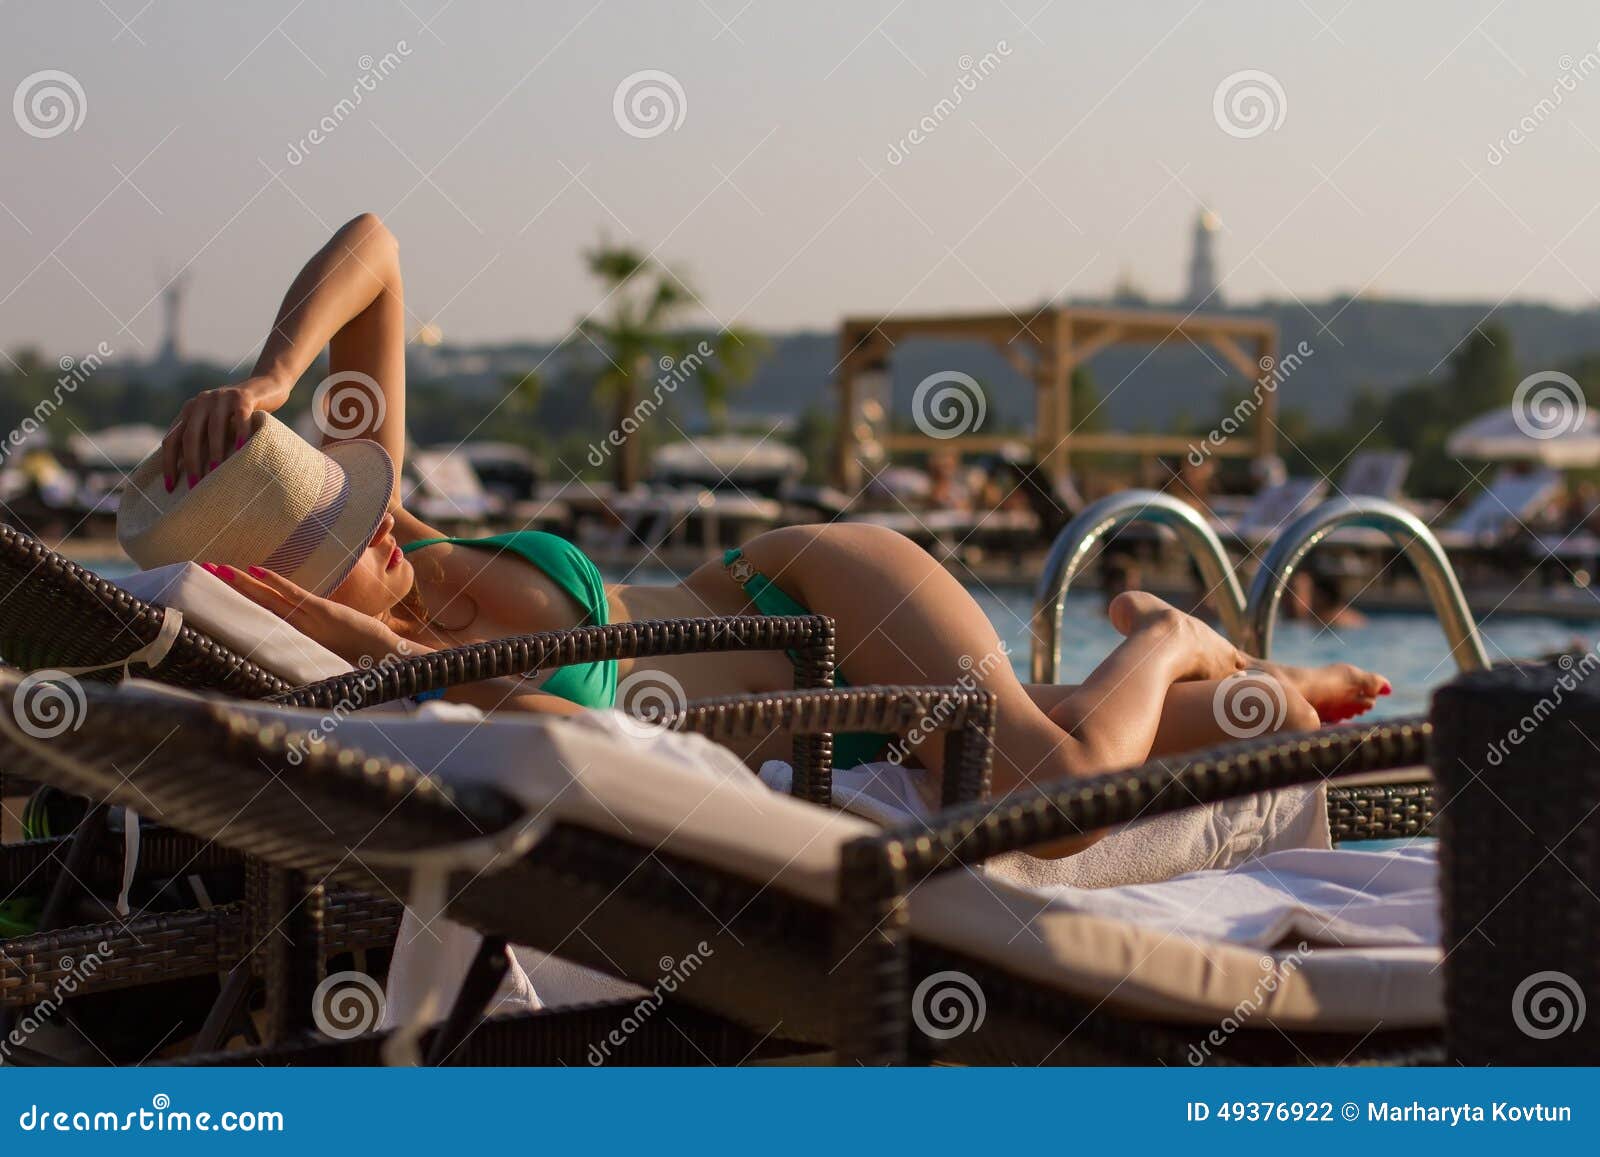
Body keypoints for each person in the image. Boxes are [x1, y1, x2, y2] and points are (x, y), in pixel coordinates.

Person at [118, 215, 1389, 857]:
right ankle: (1258, 676)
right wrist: (368, 651)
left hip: (824, 599)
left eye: (348, 495)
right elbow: (562, 737)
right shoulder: (397, 683)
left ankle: (1165, 633)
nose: (376, 516)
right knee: (1263, 728)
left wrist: (277, 375)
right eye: (339, 536)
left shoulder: (409, 545)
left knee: (1054, 805)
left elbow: (377, 247)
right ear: (287, 596)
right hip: (841, 734)